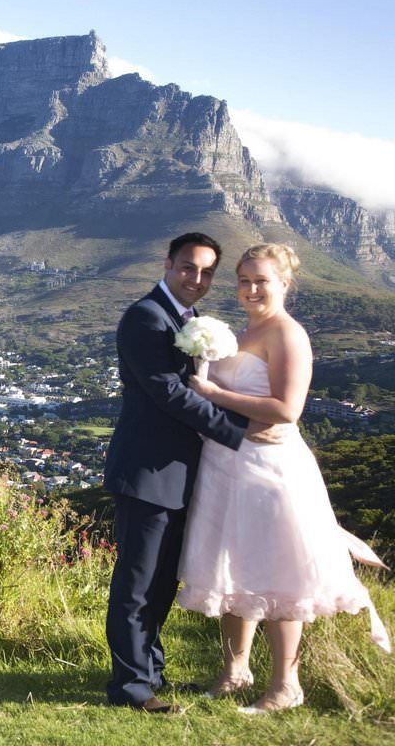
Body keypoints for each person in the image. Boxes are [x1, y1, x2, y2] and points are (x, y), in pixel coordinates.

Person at [178, 243, 390, 714]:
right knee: (229, 565)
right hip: (227, 463)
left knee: (277, 571)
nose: (251, 289)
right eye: (244, 280)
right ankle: (235, 671)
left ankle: (285, 685)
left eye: (262, 281)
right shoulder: (246, 330)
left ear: (284, 284)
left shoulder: (287, 334)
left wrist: (212, 393)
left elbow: (285, 410)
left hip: (269, 467)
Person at [103, 232, 275, 713]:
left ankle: (148, 673)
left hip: (180, 473)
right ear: (168, 263)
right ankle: (130, 689)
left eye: (205, 272)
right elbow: (169, 393)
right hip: (146, 470)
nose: (195, 279)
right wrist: (238, 431)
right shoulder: (145, 316)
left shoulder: (189, 320)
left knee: (160, 583)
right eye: (187, 268)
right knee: (137, 585)